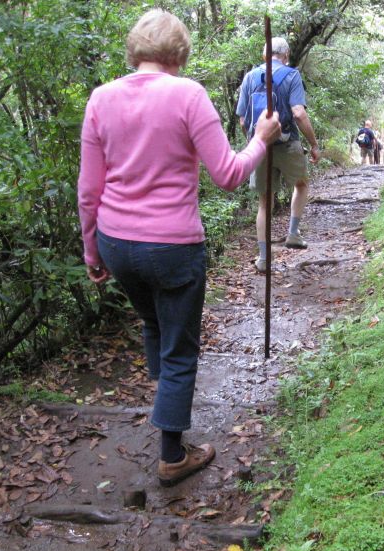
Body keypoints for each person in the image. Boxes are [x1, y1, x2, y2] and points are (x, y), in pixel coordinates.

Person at [77, 9, 281, 487]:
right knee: (180, 349)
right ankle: (172, 454)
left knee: (154, 322)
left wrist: (92, 251)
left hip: (117, 242)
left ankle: (164, 396)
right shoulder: (188, 94)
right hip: (171, 245)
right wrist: (260, 140)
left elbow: (89, 189)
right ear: (180, 53)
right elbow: (230, 175)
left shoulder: (100, 98)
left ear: (135, 50)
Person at [236, 37, 320, 273]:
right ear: (286, 55)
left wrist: (255, 142)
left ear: (265, 55)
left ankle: (263, 259)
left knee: (264, 202)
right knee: (301, 184)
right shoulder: (292, 75)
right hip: (288, 142)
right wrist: (313, 144)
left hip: (261, 147)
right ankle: (293, 233)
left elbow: (243, 119)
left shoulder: (250, 77)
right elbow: (298, 113)